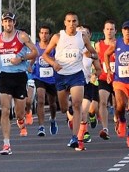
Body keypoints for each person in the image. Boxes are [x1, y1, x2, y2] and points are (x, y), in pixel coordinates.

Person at [40, 12, 97, 151]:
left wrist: (91, 54)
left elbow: (94, 53)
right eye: (69, 21)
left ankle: (75, 137)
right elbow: (45, 55)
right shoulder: (57, 37)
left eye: (74, 21)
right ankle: (68, 109)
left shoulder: (82, 37)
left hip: (77, 75)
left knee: (78, 105)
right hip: (61, 75)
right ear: (65, 23)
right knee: (64, 108)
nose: (72, 24)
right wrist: (53, 63)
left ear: (77, 23)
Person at [0, 12, 38, 155]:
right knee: (5, 110)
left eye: (10, 21)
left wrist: (21, 59)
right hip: (5, 76)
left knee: (19, 113)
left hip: (19, 76)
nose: (8, 24)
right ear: (2, 23)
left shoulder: (22, 36)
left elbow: (35, 52)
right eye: (5, 21)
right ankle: (6, 144)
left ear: (14, 23)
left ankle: (21, 120)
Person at [99, 20, 129, 149]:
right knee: (120, 104)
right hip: (120, 80)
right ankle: (122, 120)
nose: (127, 32)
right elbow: (106, 54)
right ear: (122, 31)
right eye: (125, 30)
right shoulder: (117, 43)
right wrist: (109, 71)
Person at [33, 25, 59, 136]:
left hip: (52, 79)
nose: (44, 35)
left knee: (52, 103)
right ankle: (41, 127)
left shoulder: (54, 47)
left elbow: (59, 59)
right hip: (39, 77)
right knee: (40, 100)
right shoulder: (35, 47)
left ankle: (53, 119)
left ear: (50, 35)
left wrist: (52, 60)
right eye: (42, 33)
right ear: (39, 34)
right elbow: (31, 58)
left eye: (46, 33)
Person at [95, 20, 117, 140]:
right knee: (103, 102)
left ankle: (118, 120)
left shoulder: (119, 44)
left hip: (118, 79)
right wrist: (95, 72)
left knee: (119, 105)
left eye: (111, 29)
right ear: (103, 31)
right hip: (104, 78)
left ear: (115, 31)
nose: (109, 31)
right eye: (107, 29)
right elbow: (95, 60)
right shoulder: (98, 45)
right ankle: (105, 128)